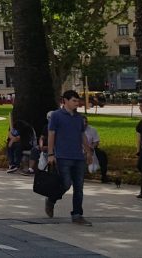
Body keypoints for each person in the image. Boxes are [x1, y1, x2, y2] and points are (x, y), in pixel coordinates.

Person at [46, 90, 93, 225]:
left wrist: (88, 151)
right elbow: (51, 134)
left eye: (77, 101)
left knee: (79, 187)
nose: (76, 104)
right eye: (74, 101)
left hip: (78, 156)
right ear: (65, 101)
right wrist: (50, 154)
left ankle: (77, 214)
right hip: (62, 156)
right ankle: (51, 199)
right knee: (66, 183)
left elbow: (82, 135)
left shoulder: (79, 118)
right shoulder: (56, 116)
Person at [83, 116, 109, 184]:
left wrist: (92, 147)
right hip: (79, 150)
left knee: (102, 155)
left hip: (91, 148)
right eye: (83, 122)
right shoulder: (75, 129)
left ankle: (104, 176)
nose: (85, 123)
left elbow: (96, 141)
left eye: (86, 122)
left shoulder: (92, 129)